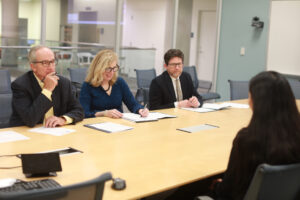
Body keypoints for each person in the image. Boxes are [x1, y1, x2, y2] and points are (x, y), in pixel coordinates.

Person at [213, 71, 300, 200]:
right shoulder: (295, 135)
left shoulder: (247, 139)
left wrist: (216, 185)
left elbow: (227, 191)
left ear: (256, 101)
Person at [9, 45, 84, 128]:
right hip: (26, 133)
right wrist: (47, 90)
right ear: (33, 67)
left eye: (52, 62)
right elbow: (30, 119)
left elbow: (79, 110)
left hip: (55, 132)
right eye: (45, 63)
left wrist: (63, 119)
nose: (51, 67)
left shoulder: (63, 82)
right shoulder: (20, 85)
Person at [79, 49, 149, 118]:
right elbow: (84, 113)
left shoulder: (119, 82)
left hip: (118, 124)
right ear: (98, 68)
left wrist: (141, 110)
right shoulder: (88, 86)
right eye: (108, 69)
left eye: (114, 68)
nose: (112, 72)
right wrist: (103, 113)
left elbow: (133, 104)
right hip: (96, 125)